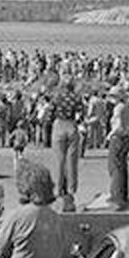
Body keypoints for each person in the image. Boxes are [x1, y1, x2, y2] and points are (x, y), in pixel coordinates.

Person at [49, 83, 82, 211]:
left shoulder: (57, 97)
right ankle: (71, 189)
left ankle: (58, 189)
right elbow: (81, 113)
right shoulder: (76, 98)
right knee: (72, 160)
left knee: (59, 160)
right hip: (71, 125)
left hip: (59, 125)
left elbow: (50, 111)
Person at [106, 90, 129, 210]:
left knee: (114, 167)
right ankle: (123, 196)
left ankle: (117, 198)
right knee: (122, 167)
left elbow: (117, 125)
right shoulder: (127, 107)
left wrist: (110, 135)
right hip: (126, 137)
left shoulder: (118, 108)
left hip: (117, 138)